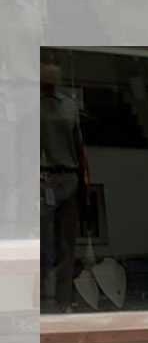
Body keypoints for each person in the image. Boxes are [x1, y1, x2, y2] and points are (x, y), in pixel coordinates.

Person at [39, 52, 89, 313]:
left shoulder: (68, 106)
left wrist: (84, 180)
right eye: (47, 63)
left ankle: (62, 300)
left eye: (56, 64)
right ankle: (40, 299)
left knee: (66, 243)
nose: (53, 69)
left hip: (68, 177)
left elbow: (79, 147)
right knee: (43, 243)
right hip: (41, 179)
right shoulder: (28, 105)